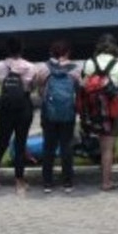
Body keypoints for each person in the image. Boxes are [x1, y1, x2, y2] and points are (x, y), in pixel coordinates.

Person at [0, 36, 37, 194]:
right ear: (21, 49)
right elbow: (31, 88)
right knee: (20, 144)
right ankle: (19, 183)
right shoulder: (30, 66)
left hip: (6, 107)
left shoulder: (0, 65)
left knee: (1, 143)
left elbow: (2, 84)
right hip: (24, 107)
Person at [34, 40, 80, 194]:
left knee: (49, 147)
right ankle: (67, 182)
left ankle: (47, 183)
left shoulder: (44, 68)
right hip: (68, 113)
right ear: (67, 52)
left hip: (49, 113)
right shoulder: (75, 69)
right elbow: (79, 89)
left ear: (52, 52)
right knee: (66, 146)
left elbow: (38, 86)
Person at [82, 33, 118, 191]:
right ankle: (106, 182)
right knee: (108, 147)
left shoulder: (89, 63)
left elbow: (84, 86)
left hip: (94, 110)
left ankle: (106, 173)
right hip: (113, 112)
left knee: (103, 145)